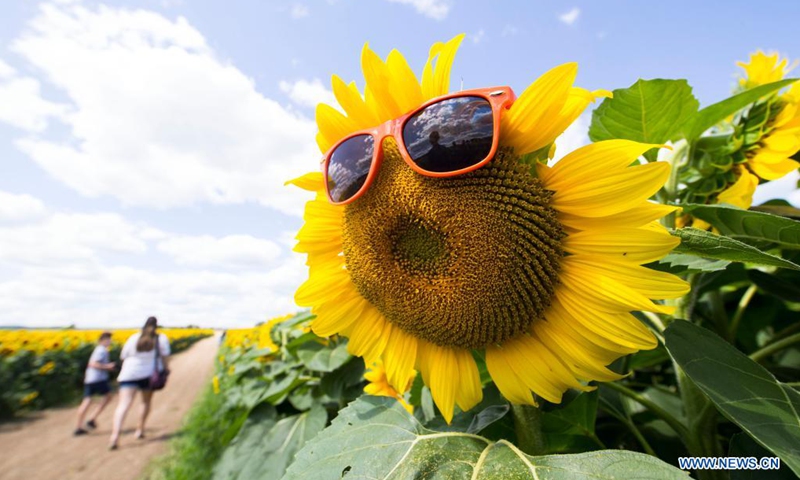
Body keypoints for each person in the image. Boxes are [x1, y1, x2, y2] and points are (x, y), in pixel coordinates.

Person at [109, 316, 170, 450]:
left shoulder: (133, 338)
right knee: (145, 402)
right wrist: (166, 370)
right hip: (148, 375)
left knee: (123, 405)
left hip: (128, 374)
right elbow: (165, 356)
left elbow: (123, 356)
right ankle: (140, 430)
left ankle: (115, 436)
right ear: (157, 326)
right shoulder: (161, 339)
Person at [74, 331, 116, 436]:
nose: (110, 341)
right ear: (102, 340)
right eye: (108, 339)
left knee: (87, 401)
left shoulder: (99, 349)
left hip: (90, 379)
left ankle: (79, 426)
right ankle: (91, 419)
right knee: (107, 397)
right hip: (98, 379)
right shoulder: (102, 350)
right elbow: (93, 363)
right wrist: (108, 367)